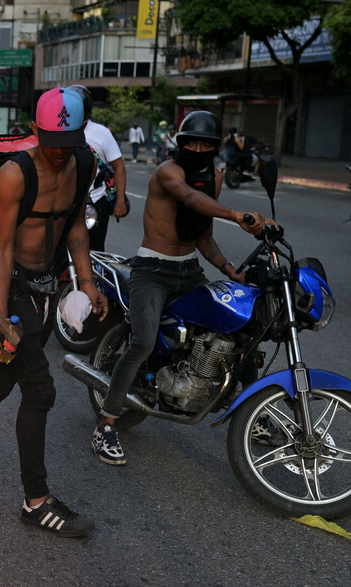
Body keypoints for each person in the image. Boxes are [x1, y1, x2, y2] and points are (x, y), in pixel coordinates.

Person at [0, 88, 106, 538]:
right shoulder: (15, 175)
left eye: (67, 144)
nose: (58, 154)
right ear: (35, 131)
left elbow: (74, 225)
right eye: (51, 143)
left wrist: (87, 282)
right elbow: (2, 246)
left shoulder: (84, 163)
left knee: (2, 376)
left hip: (46, 289)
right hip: (10, 287)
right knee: (40, 390)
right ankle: (36, 501)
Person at [91, 111, 266, 466]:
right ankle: (106, 423)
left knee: (239, 331)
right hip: (151, 271)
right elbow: (190, 198)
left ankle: (252, 413)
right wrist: (235, 215)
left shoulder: (214, 177)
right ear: (180, 143)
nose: (197, 148)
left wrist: (231, 271)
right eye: (191, 143)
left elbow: (202, 234)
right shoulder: (167, 171)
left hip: (189, 271)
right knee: (141, 342)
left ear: (216, 147)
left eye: (205, 144)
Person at [69, 85, 128, 250]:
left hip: (95, 203)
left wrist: (120, 201)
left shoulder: (101, 133)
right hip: (64, 201)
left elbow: (119, 167)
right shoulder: (59, 130)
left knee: (94, 250)